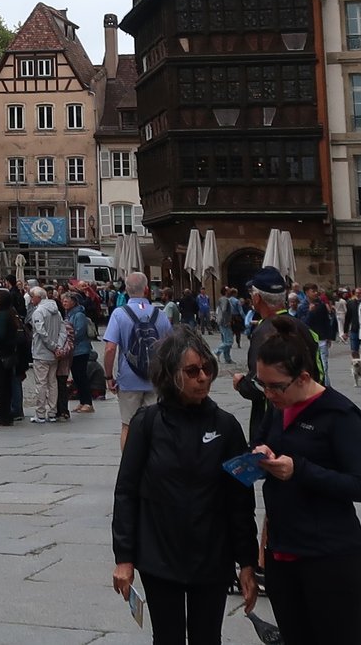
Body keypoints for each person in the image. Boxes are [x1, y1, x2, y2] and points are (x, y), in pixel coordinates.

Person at [111, 331, 260, 645]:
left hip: (212, 556)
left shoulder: (227, 426)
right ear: (170, 375)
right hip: (159, 554)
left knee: (208, 638)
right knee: (168, 638)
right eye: (192, 371)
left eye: (207, 368)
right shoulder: (146, 423)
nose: (203, 377)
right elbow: (126, 491)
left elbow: (241, 501)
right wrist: (124, 557)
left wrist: (247, 561)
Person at [246, 315, 361, 644]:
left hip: (330, 558)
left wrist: (300, 470)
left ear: (303, 376)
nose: (269, 393)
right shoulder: (277, 408)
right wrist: (258, 455)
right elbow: (261, 442)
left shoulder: (339, 414)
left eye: (276, 386)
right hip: (282, 555)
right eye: (262, 384)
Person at [107, 271, 175, 448]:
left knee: (128, 426)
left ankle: (129, 466)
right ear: (146, 289)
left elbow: (110, 348)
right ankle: (153, 464)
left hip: (128, 379)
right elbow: (171, 347)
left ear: (126, 290)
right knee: (155, 425)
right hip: (155, 378)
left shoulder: (119, 314)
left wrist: (108, 376)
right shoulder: (160, 315)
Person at [28, 284, 68, 424]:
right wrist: (59, 346)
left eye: (32, 297)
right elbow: (63, 330)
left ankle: (40, 413)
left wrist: (52, 346)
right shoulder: (56, 311)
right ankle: (52, 411)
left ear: (38, 298)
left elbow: (41, 332)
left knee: (41, 383)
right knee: (52, 383)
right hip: (54, 354)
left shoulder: (38, 312)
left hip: (41, 352)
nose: (31, 300)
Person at [0, 287, 29, 427]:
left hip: (1, 356)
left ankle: (4, 415)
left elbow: (0, 335)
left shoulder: (1, 316)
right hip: (9, 354)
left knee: (2, 386)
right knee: (7, 384)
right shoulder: (11, 314)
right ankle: (8, 413)